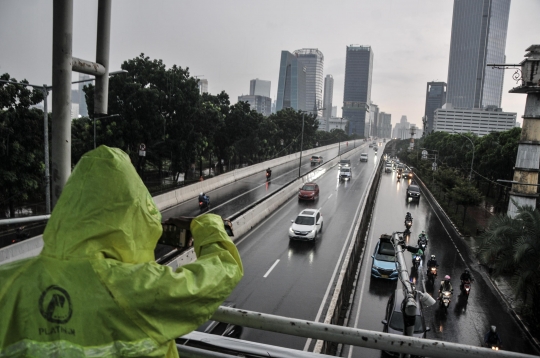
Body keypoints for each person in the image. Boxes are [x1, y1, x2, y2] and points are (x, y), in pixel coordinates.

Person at [0, 146, 243, 358]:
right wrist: (209, 226)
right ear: (135, 215)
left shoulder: (9, 283)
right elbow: (220, 272)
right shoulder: (137, 288)